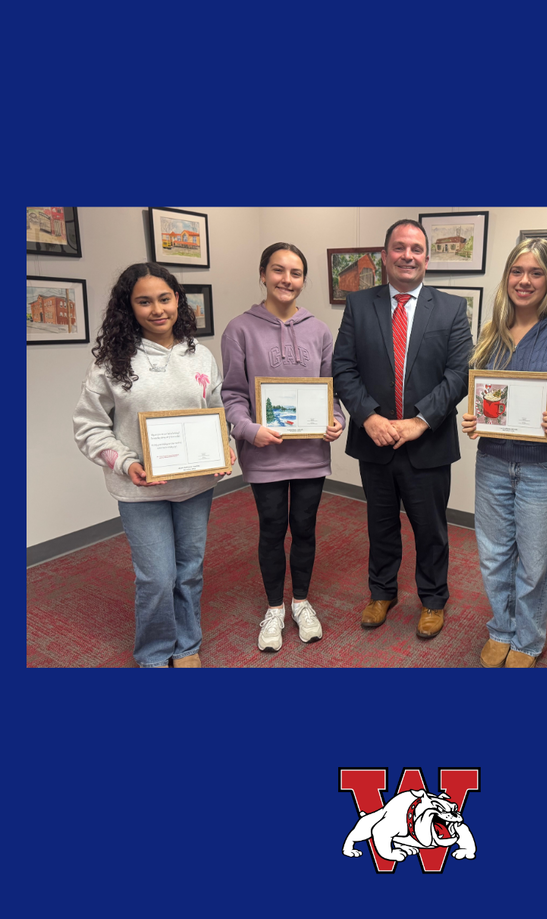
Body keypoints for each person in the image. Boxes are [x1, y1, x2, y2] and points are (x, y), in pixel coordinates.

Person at [73, 262, 235, 668]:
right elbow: (89, 427)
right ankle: (153, 653)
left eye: (164, 298)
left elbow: (216, 411)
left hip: (195, 486)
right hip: (139, 489)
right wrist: (125, 463)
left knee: (189, 570)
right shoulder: (111, 362)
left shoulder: (201, 355)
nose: (157, 309)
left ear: (178, 300)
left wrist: (224, 447)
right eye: (144, 301)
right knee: (157, 578)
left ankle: (186, 645)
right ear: (129, 307)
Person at [461, 238, 547, 667]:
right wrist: (473, 419)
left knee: (536, 562)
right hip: (493, 463)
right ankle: (501, 629)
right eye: (517, 271)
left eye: (536, 273)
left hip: (543, 468)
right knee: (493, 556)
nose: (525, 281)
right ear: (507, 277)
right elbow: (486, 398)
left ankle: (526, 639)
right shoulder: (493, 331)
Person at [333, 219, 472, 639]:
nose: (407, 256)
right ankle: (382, 592)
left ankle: (432, 599)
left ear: (427, 258)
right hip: (374, 440)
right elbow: (343, 368)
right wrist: (369, 417)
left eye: (416, 249)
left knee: (431, 529)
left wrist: (419, 421)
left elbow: (459, 373)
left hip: (426, 443)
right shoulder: (359, 304)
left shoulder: (451, 308)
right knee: (380, 524)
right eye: (399, 248)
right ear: (385, 255)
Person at [221, 242, 345, 654]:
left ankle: (302, 602)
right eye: (278, 270)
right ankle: (275, 608)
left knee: (305, 529)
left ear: (303, 281)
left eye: (295, 273)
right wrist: (247, 429)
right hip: (264, 453)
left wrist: (337, 421)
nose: (286, 280)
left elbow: (332, 394)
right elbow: (233, 394)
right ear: (262, 274)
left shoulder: (319, 330)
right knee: (273, 529)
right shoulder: (239, 329)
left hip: (310, 453)